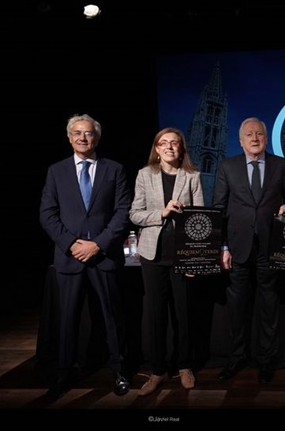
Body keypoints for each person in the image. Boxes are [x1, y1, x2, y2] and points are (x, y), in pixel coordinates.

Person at [39, 113, 132, 402]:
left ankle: (120, 371)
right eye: (77, 133)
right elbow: (47, 214)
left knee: (112, 319)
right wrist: (71, 244)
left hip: (104, 257)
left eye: (88, 133)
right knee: (67, 321)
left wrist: (98, 245)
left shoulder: (114, 169)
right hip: (70, 259)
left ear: (97, 138)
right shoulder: (56, 171)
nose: (83, 137)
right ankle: (63, 375)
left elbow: (122, 212)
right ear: (69, 138)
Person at [212, 117, 285, 384]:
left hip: (269, 246)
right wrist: (222, 245)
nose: (254, 138)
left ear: (265, 137)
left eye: (259, 133)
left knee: (269, 305)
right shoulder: (227, 167)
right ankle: (236, 357)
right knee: (237, 306)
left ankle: (267, 360)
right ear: (240, 140)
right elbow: (219, 208)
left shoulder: (281, 165)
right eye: (249, 134)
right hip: (237, 248)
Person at [129, 127, 204, 395]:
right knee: (156, 315)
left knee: (183, 314)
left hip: (182, 256)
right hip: (153, 255)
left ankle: (184, 366)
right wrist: (161, 212)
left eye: (175, 143)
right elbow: (135, 215)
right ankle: (158, 370)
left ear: (181, 148)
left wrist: (195, 259)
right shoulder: (144, 175)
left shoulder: (192, 176)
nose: (171, 147)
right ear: (157, 148)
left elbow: (199, 219)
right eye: (165, 143)